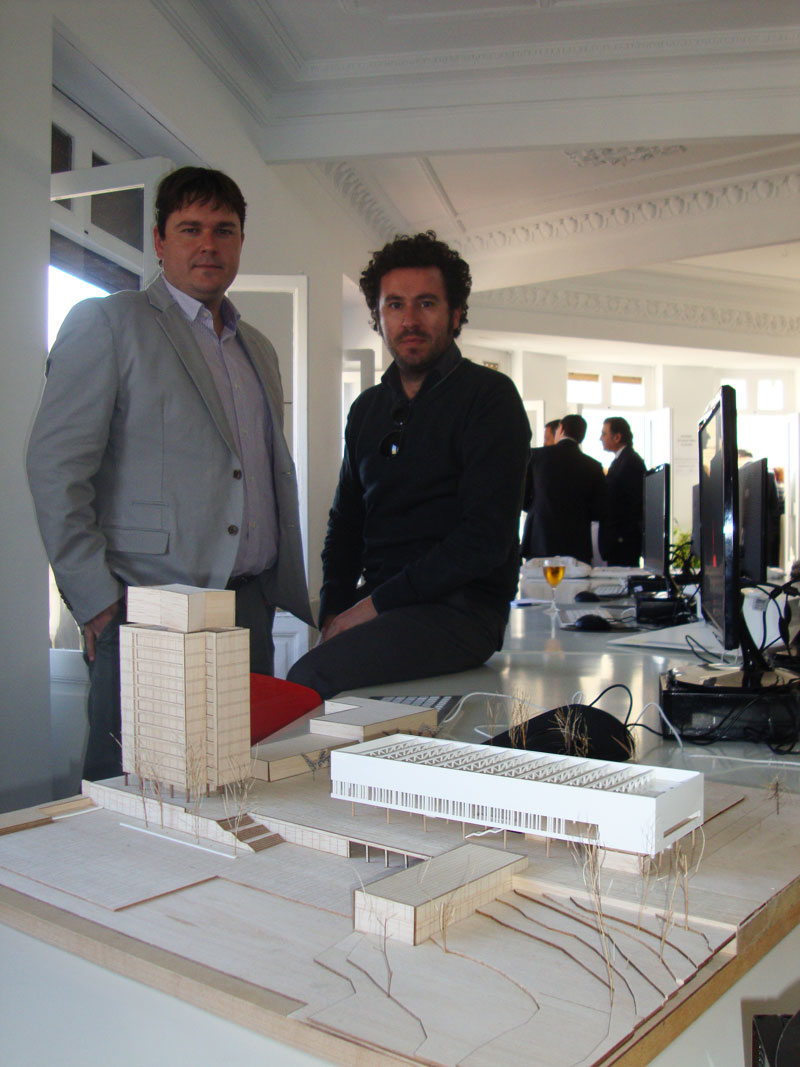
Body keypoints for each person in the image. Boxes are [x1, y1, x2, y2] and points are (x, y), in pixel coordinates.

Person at [27, 166, 313, 781]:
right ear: (159, 241)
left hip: (249, 611)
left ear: (241, 242)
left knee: (240, 786)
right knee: (131, 792)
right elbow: (55, 468)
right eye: (190, 229)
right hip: (147, 611)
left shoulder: (258, 348)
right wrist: (98, 603)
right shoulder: (109, 323)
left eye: (224, 230)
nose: (208, 244)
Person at [287, 231, 531, 699]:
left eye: (426, 304)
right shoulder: (367, 409)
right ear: (379, 318)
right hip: (386, 604)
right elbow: (346, 524)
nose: (410, 320)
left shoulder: (489, 398)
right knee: (304, 669)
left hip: (463, 610)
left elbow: (485, 539)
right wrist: (334, 611)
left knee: (310, 678)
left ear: (455, 315)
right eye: (395, 305)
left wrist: (371, 607)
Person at [521, 414, 606, 564]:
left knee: (537, 579)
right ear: (582, 436)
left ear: (561, 429)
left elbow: (522, 497)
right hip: (576, 545)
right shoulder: (594, 466)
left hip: (540, 539)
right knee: (576, 580)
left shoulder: (536, 456)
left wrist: (539, 507)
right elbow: (598, 510)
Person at [598, 416, 646, 566]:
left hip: (623, 542)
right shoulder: (623, 460)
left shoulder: (630, 462)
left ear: (617, 437)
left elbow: (629, 504)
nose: (601, 438)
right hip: (619, 541)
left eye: (604, 434)